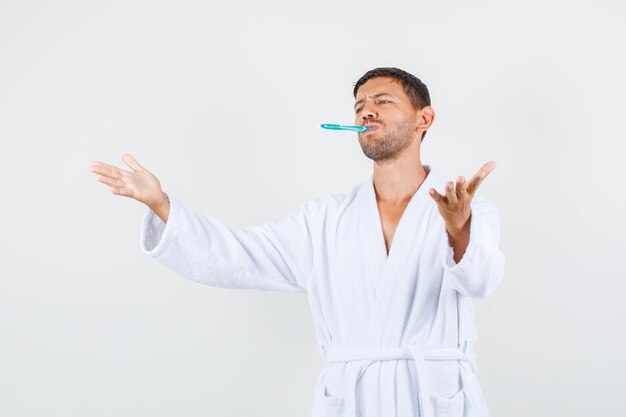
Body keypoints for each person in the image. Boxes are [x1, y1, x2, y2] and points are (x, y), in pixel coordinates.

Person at [88, 67, 505, 417]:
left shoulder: (468, 211)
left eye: (383, 101)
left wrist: (457, 229)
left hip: (432, 399)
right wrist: (163, 206)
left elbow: (481, 281)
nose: (367, 111)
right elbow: (237, 257)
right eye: (360, 105)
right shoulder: (323, 221)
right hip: (351, 400)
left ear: (423, 119)